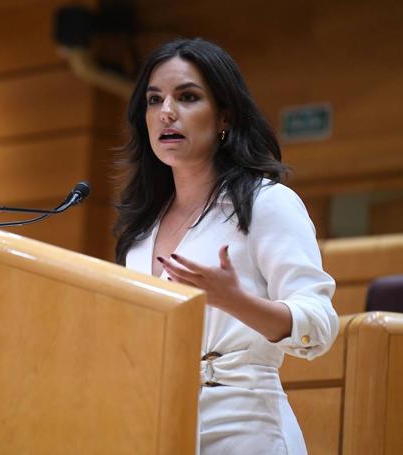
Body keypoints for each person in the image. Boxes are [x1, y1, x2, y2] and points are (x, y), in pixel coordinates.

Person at [113, 38, 338, 454]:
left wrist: (233, 300)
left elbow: (319, 327)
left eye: (188, 97)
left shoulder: (267, 203)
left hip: (246, 427)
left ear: (225, 116)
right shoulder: (140, 230)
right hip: (155, 423)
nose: (166, 112)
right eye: (154, 99)